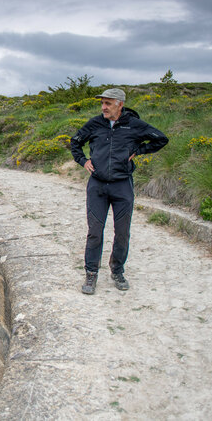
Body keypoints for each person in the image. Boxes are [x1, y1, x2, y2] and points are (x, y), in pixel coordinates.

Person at [70, 88, 168, 294]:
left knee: (122, 232)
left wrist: (138, 151)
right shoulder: (95, 124)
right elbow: (75, 142)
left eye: (108, 103)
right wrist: (83, 160)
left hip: (122, 185)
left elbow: (160, 139)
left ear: (120, 104)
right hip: (97, 185)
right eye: (102, 103)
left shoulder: (135, 125)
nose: (103, 107)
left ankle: (117, 270)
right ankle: (91, 274)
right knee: (95, 232)